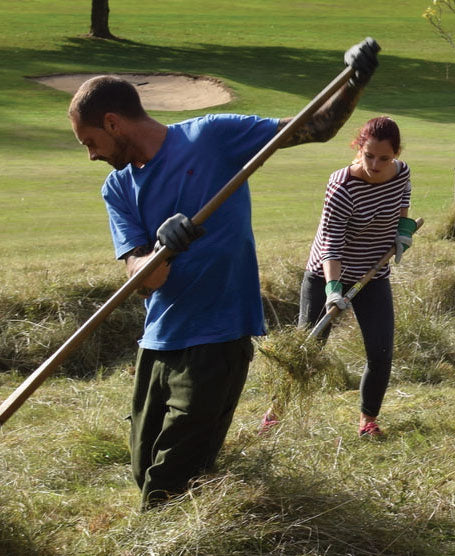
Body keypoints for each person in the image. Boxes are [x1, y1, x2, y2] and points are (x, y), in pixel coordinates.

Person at [68, 37, 382, 509]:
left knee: (169, 481)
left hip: (219, 335)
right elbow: (144, 278)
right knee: (143, 468)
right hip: (159, 339)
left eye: (91, 141)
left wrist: (356, 80)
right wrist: (160, 249)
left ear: (113, 122)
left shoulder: (211, 138)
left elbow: (314, 127)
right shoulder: (117, 187)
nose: (91, 154)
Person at [260, 116, 414, 439]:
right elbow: (331, 242)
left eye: (384, 158)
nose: (374, 163)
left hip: (373, 274)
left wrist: (403, 231)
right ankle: (275, 414)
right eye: (368, 155)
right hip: (326, 274)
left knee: (381, 352)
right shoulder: (342, 185)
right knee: (307, 351)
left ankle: (367, 420)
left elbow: (403, 203)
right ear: (359, 148)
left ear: (396, 154)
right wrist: (333, 289)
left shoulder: (402, 174)